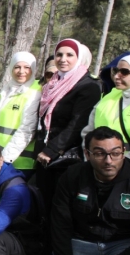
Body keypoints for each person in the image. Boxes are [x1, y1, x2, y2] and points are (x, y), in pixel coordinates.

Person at [41, 127, 130, 255]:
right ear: (87, 154)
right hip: (82, 242)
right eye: (100, 153)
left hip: (123, 245)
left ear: (123, 152)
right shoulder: (72, 176)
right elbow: (60, 225)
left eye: (115, 153)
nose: (108, 160)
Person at [34, 39, 101, 214]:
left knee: (60, 208)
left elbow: (78, 123)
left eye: (70, 55)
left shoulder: (88, 86)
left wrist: (52, 149)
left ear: (78, 58)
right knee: (44, 203)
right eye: (59, 54)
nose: (63, 59)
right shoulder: (53, 83)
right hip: (44, 154)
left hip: (65, 157)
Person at [0, 52, 41, 175]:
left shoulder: (35, 92)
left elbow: (26, 130)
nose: (21, 71)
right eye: (17, 67)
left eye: (27, 67)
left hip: (18, 162)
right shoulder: (7, 89)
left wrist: (5, 159)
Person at [82, 54, 130, 153]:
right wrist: (91, 158)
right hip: (99, 164)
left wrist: (124, 165)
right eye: (115, 71)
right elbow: (88, 133)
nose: (116, 76)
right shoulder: (107, 98)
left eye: (124, 72)